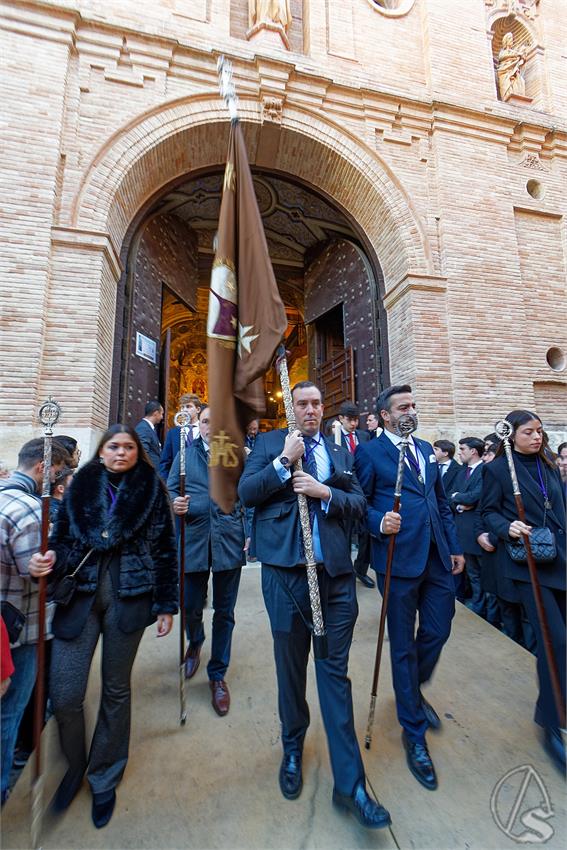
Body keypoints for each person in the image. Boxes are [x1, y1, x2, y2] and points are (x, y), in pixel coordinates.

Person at [239, 381, 391, 830]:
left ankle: (351, 785)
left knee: (334, 677)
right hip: (286, 577)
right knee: (290, 670)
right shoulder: (267, 443)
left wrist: (324, 493)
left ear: (323, 410)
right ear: (291, 407)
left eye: (316, 403)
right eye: (302, 403)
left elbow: (359, 503)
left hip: (337, 579)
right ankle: (292, 747)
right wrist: (284, 462)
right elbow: (248, 495)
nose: (310, 410)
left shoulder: (339, 451)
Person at [28, 425, 178, 827]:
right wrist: (48, 562)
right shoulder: (81, 486)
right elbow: (60, 539)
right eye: (114, 446)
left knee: (116, 689)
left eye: (129, 447)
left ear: (137, 453)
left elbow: (166, 547)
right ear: (101, 450)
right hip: (80, 594)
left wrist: (166, 604)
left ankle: (104, 775)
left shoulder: (151, 488)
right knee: (64, 693)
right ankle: (76, 764)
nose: (121, 453)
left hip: (130, 596)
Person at [355, 385, 464, 791]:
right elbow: (358, 503)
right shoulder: (369, 453)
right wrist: (378, 521)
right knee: (401, 645)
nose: (411, 411)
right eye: (403, 407)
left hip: (436, 556)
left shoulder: (424, 449)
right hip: (397, 560)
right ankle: (413, 734)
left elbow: (440, 502)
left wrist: (454, 547)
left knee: (438, 629)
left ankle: (411, 692)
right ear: (384, 415)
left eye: (413, 406)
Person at [481, 409, 566, 771]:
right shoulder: (498, 470)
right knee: (555, 641)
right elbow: (488, 513)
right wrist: (507, 526)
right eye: (529, 431)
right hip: (529, 565)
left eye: (540, 431)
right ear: (511, 435)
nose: (537, 437)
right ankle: (551, 721)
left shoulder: (548, 464)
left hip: (561, 559)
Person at [0, 438, 69, 804]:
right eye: (57, 473)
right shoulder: (30, 509)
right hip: (20, 630)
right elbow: (38, 579)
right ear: (43, 469)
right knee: (9, 713)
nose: (58, 482)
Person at [168, 407, 244, 717]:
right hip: (195, 539)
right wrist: (176, 502)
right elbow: (172, 487)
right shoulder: (184, 455)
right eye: (205, 421)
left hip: (228, 539)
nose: (211, 426)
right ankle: (195, 641)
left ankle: (217, 674)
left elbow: (247, 496)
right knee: (190, 604)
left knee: (225, 612)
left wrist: (246, 531)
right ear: (198, 425)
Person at [449, 437, 488, 618]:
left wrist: (461, 497)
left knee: (482, 575)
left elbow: (475, 496)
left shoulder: (485, 470)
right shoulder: (462, 471)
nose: (460, 452)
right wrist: (459, 502)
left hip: (477, 531)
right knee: (472, 573)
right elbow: (450, 496)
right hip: (462, 530)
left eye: (463, 449)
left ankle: (484, 611)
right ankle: (477, 606)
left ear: (473, 451)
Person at [337, 401, 374, 589]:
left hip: (365, 491)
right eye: (349, 420)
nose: (353, 424)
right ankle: (344, 572)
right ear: (340, 419)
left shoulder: (364, 436)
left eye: (355, 420)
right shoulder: (332, 440)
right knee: (345, 533)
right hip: (345, 492)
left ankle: (361, 569)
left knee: (367, 534)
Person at [159, 393, 201, 481]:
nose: (184, 410)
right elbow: (165, 462)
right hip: (178, 483)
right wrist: (167, 485)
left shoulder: (205, 430)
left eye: (188, 406)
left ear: (198, 409)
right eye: (182, 407)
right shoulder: (173, 433)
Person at [135, 401, 164, 470]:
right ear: (156, 413)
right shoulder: (143, 428)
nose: (162, 417)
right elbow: (143, 453)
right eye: (162, 414)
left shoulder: (149, 428)